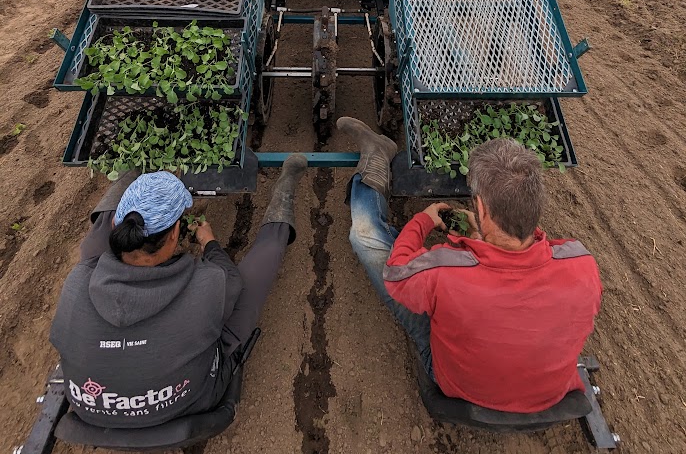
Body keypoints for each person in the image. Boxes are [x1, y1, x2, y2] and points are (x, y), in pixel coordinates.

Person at [340, 118, 603, 414]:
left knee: (363, 236)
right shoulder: (583, 265)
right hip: (550, 394)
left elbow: (396, 274)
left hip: (460, 388)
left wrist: (423, 220)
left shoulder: (444, 270)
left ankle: (375, 157)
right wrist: (484, 241)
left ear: (480, 209)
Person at [50, 157, 307, 428]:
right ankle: (284, 192)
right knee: (245, 294)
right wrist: (210, 243)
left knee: (91, 247)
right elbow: (230, 278)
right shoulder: (206, 285)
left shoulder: (77, 282)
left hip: (93, 410)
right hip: (187, 406)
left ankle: (129, 171)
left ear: (117, 225)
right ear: (175, 234)